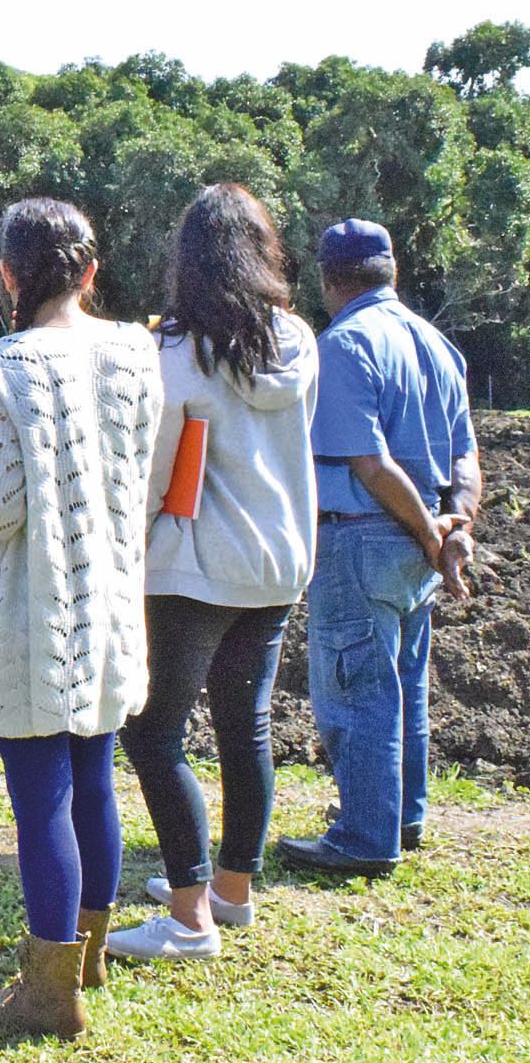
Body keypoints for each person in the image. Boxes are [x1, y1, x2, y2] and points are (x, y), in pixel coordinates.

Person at [0, 198, 162, 1039]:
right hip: (109, 598)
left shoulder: (1, 365)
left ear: (9, 275)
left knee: (41, 801)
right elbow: (136, 471)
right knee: (95, 779)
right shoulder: (135, 352)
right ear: (90, 272)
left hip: (36, 612)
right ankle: (89, 956)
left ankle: (46, 995)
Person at [109, 184, 318, 961]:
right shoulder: (296, 340)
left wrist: (124, 548)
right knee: (244, 724)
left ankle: (189, 915)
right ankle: (232, 891)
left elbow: (154, 475)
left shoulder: (173, 357)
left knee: (154, 733)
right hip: (278, 562)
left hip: (194, 568)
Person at [280, 219, 481, 878]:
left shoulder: (344, 344)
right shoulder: (436, 344)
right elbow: (464, 455)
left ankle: (364, 838)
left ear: (328, 279)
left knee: (355, 690)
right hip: (416, 548)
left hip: (362, 533)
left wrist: (430, 531)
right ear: (390, 270)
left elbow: (367, 462)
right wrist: (454, 527)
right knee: (404, 685)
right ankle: (403, 816)